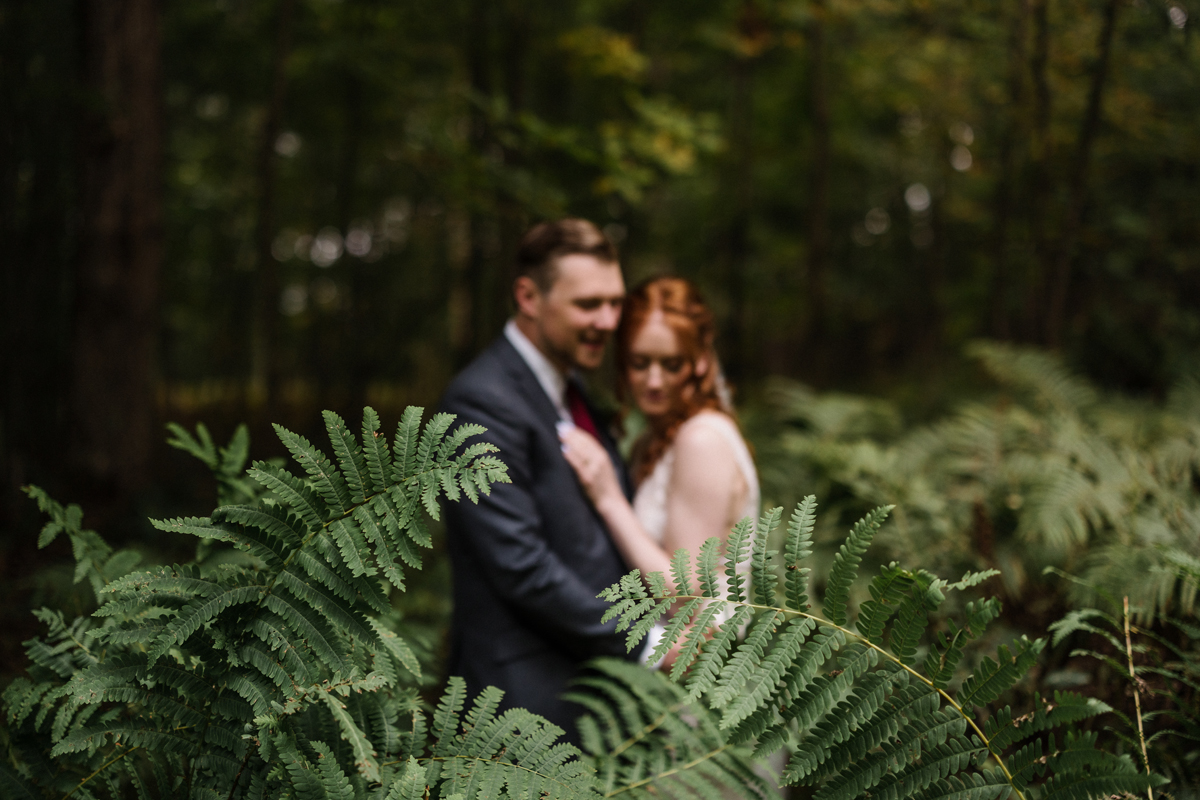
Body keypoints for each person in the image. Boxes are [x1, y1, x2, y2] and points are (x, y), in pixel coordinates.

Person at [438, 219, 638, 744]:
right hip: (522, 706)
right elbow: (521, 566)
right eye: (588, 304)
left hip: (592, 690)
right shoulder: (479, 402)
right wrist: (644, 639)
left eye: (615, 303)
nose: (608, 321)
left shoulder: (571, 389)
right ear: (528, 297)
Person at [558, 277, 759, 668]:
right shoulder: (654, 440)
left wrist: (609, 498)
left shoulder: (701, 439)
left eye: (671, 364)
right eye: (639, 363)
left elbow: (685, 594)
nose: (653, 382)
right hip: (657, 662)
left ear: (700, 360)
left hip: (698, 669)